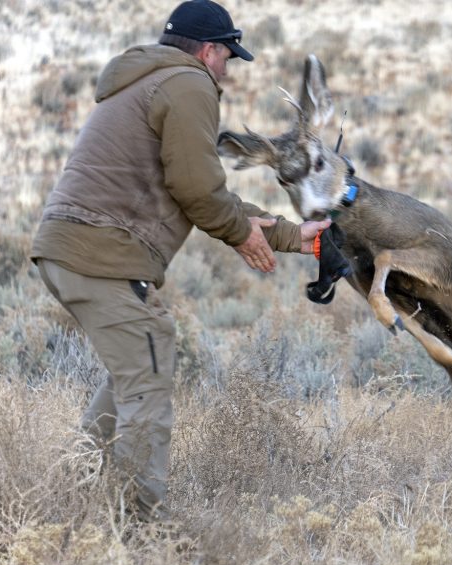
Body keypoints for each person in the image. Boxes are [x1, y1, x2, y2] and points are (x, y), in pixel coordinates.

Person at [30, 0, 327, 523]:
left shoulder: (146, 80)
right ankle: (139, 528)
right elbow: (197, 189)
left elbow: (200, 188)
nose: (227, 73)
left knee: (138, 362)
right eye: (228, 59)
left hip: (74, 248)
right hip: (100, 252)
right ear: (209, 50)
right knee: (147, 369)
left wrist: (285, 235)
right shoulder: (189, 85)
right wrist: (244, 237)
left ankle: (72, 491)